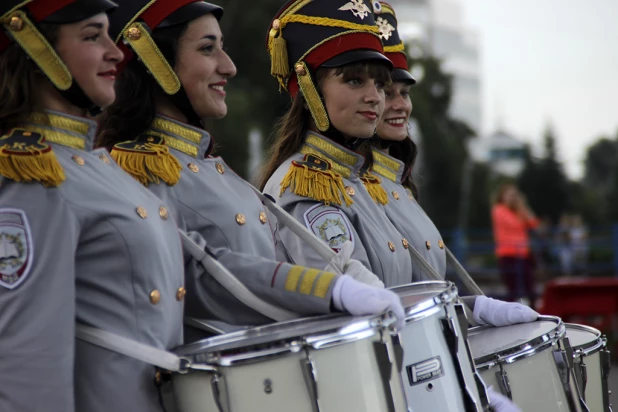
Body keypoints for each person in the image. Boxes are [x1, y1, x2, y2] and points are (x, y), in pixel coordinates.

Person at [96, 0, 404, 329]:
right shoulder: (140, 170)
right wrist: (330, 291)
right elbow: (204, 278)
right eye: (207, 49)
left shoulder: (214, 169)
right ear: (154, 60)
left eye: (222, 48)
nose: (229, 66)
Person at [0, 1, 186, 411]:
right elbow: (29, 360)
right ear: (36, 51)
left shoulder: (95, 163)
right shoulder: (33, 174)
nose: (115, 51)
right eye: (91, 36)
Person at [259, 0, 416, 287]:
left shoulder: (358, 181)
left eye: (379, 85)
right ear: (310, 90)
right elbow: (361, 307)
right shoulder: (304, 186)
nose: (375, 97)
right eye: (355, 81)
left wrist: (468, 309)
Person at [491, 183, 539, 305]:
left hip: (523, 254)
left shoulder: (519, 211)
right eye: (510, 195)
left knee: (530, 288)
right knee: (512, 290)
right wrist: (520, 209)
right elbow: (514, 224)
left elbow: (533, 223)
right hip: (508, 254)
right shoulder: (499, 210)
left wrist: (523, 207)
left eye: (515, 195)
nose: (513, 198)